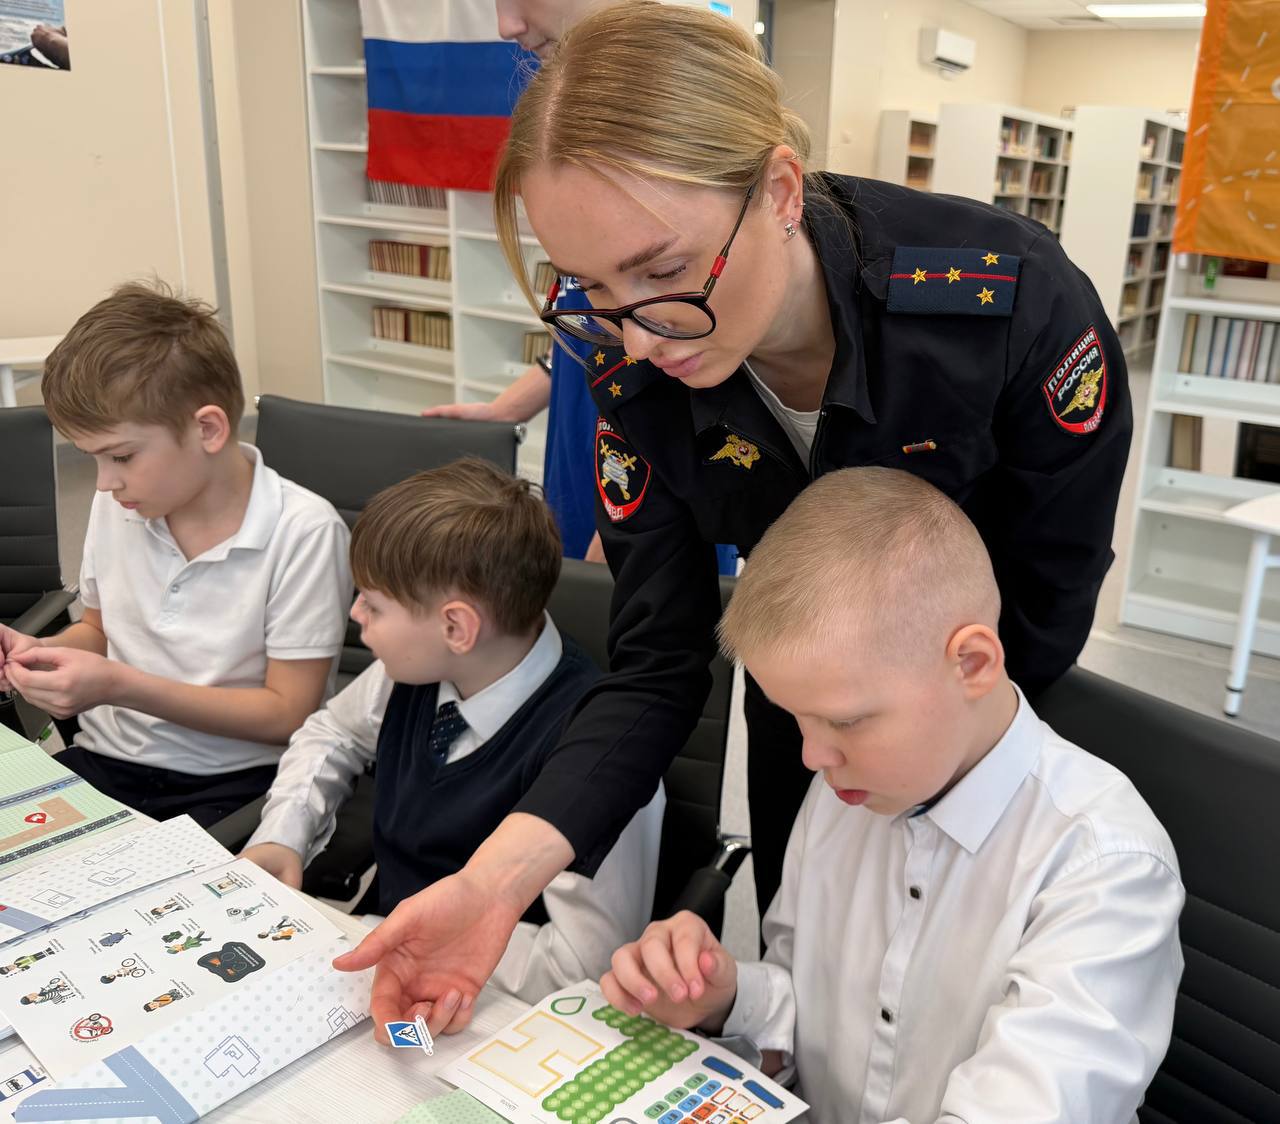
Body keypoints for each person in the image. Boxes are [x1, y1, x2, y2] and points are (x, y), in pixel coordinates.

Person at [335, 3, 1131, 1035]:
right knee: (812, 1000)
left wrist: (916, 784)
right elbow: (657, 659)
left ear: (779, 190)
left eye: (664, 272)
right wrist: (492, 883)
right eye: (590, 288)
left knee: (970, 1016)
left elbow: (1042, 604)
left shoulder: (1010, 309)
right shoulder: (636, 377)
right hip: (806, 716)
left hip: (977, 726)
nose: (637, 335)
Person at [602, 467, 1183, 1124]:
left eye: (846, 721)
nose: (811, 756)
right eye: (796, 717)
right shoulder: (847, 789)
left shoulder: (1103, 868)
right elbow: (811, 1007)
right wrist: (727, 997)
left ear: (971, 665)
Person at [244, 460, 662, 1005]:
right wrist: (283, 833)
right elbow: (333, 734)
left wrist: (421, 939)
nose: (355, 614)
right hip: (385, 951)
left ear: (455, 627)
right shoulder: (418, 670)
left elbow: (581, 966)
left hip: (499, 1003)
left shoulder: (596, 755)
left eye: (373, 603)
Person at [0, 282, 351, 826]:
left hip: (239, 785)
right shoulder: (123, 504)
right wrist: (38, 657)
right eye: (92, 459)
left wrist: (118, 684)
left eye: (119, 456)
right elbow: (98, 631)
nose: (101, 484)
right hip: (106, 762)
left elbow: (287, 714)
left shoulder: (303, 533)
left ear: (207, 428)